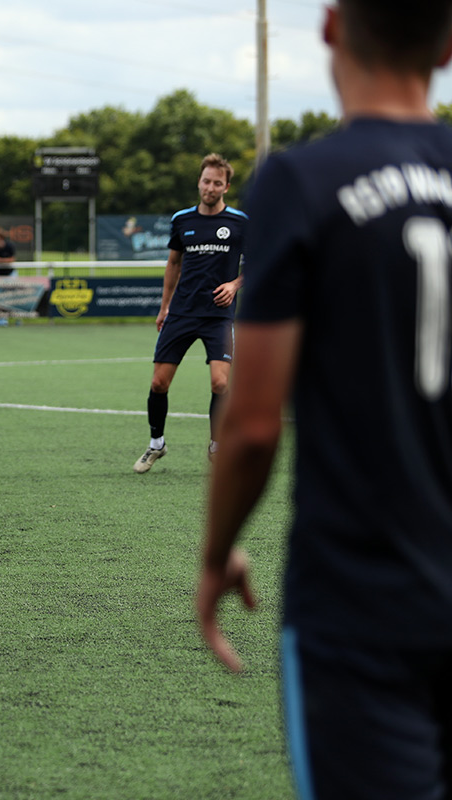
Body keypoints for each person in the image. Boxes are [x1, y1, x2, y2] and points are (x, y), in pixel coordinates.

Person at [197, 3, 452, 797]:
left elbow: (251, 424)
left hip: (361, 600)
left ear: (333, 28)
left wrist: (216, 553)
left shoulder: (304, 179)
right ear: (446, 45)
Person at [133, 154, 247, 472]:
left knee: (220, 384)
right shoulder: (182, 219)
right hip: (181, 312)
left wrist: (235, 284)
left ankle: (217, 444)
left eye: (217, 183)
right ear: (199, 181)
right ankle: (156, 444)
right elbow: (173, 263)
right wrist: (164, 306)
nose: (210, 187)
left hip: (218, 316)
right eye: (206, 181)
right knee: (158, 383)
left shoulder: (239, 222)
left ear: (226, 186)